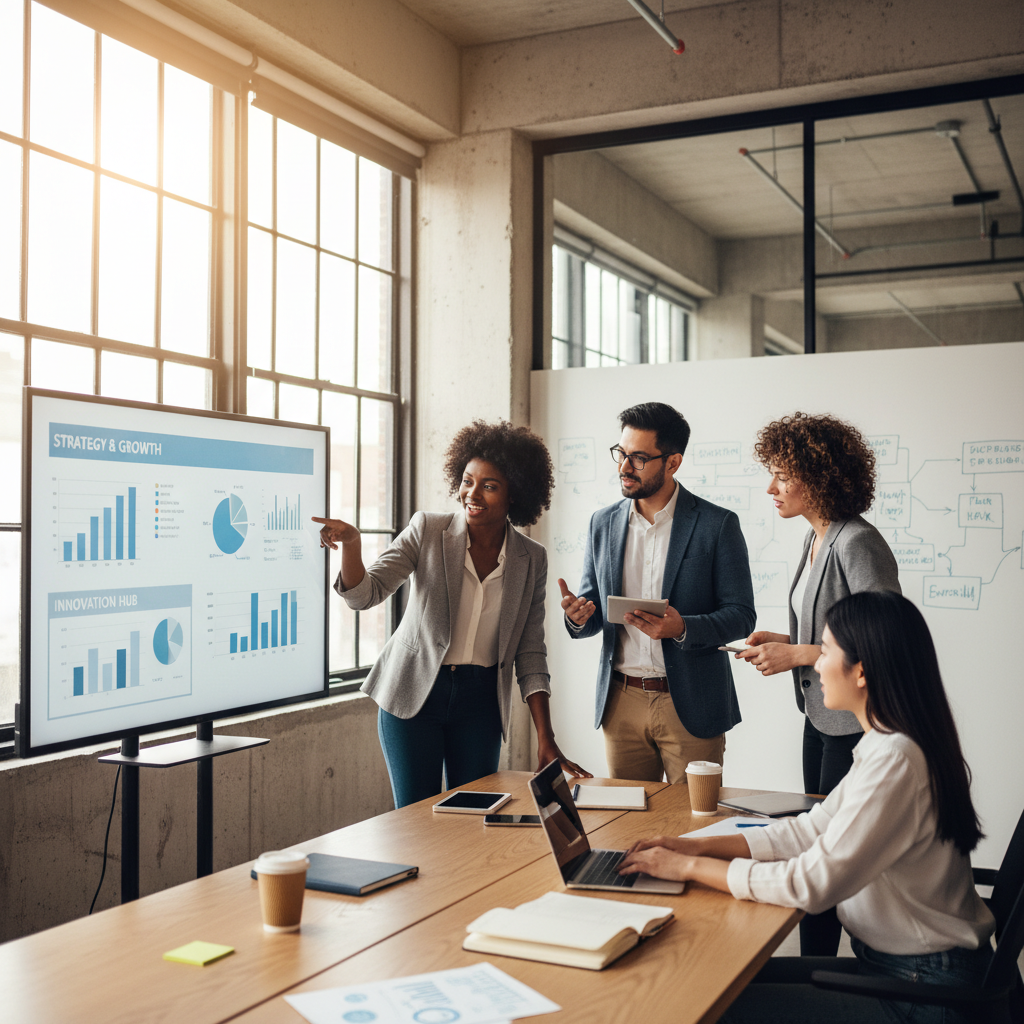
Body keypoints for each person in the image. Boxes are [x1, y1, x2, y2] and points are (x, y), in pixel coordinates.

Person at [619, 591, 995, 1024]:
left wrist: (687, 870)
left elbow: (808, 885)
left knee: (706, 1006)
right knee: (709, 982)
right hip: (908, 970)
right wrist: (694, 849)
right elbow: (808, 830)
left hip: (922, 991)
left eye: (827, 651)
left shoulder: (896, 760)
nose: (816, 663)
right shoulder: (888, 744)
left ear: (862, 672)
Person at [313, 419, 590, 809]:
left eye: (489, 486)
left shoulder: (531, 559)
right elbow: (364, 595)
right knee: (415, 822)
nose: (472, 494)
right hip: (414, 697)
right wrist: (352, 546)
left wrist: (546, 737)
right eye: (467, 480)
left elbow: (530, 652)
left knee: (473, 821)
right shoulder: (428, 530)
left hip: (480, 705)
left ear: (515, 494)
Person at [734, 411, 900, 956]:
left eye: (783, 474)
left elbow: (882, 639)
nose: (771, 487)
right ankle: (817, 959)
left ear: (819, 476)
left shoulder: (856, 542)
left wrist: (795, 654)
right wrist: (784, 639)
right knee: (814, 830)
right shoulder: (816, 539)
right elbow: (836, 624)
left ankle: (818, 969)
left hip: (852, 723)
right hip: (819, 714)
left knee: (827, 850)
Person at [558, 402, 755, 784]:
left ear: (673, 462)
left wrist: (683, 627)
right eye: (621, 453)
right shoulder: (603, 523)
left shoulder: (717, 525)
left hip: (690, 703)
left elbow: (741, 614)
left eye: (639, 458)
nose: (624, 467)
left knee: (692, 823)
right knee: (627, 825)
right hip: (621, 701)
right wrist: (577, 616)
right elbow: (595, 610)